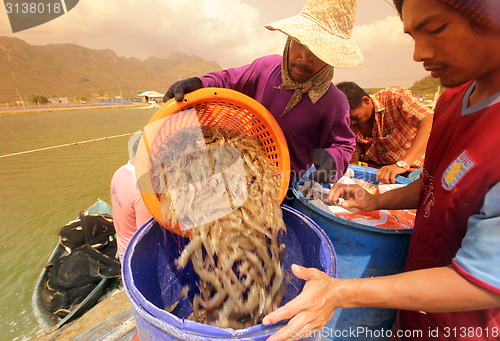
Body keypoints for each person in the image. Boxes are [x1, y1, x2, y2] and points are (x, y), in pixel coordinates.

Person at [262, 0, 500, 340]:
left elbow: (483, 282)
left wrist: (340, 292)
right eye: (411, 35)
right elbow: (437, 186)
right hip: (412, 314)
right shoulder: (450, 101)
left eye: (435, 29)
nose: (418, 53)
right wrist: (375, 201)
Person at [163, 0, 364, 184]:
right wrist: (198, 82)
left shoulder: (334, 102)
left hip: (286, 184)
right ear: (290, 40)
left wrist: (332, 160)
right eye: (300, 44)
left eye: (318, 52)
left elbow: (344, 146)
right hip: (238, 168)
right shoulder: (267, 68)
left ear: (330, 58)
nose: (304, 58)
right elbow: (227, 79)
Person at [336, 81, 434, 184]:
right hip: (383, 176)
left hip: (417, 172)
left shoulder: (394, 98)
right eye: (348, 120)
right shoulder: (350, 125)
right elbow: (353, 162)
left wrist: (402, 164)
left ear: (366, 101)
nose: (352, 122)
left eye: (354, 117)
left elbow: (429, 120)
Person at [110, 132, 152, 262]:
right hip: (136, 258)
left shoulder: (120, 171)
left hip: (123, 247)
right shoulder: (143, 192)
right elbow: (148, 240)